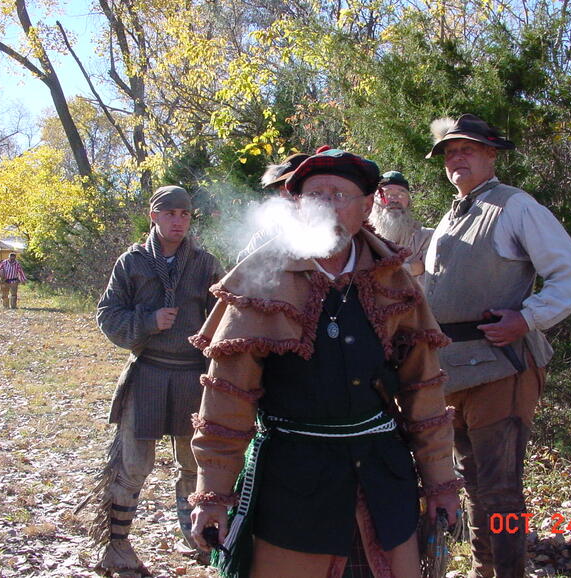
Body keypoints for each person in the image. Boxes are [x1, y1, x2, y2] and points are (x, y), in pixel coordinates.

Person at [188, 148, 461, 577]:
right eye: (315, 196)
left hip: (382, 482)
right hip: (293, 489)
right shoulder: (260, 280)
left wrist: (441, 482)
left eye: (339, 195)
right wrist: (213, 495)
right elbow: (227, 402)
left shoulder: (395, 280)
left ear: (367, 206)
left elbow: (424, 390)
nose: (326, 206)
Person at [423, 114, 571, 577]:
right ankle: (484, 570)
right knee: (475, 484)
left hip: (501, 367)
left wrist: (528, 318)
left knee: (500, 490)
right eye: (450, 152)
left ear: (491, 155)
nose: (456, 158)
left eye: (467, 149)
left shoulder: (516, 206)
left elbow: (569, 271)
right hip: (453, 370)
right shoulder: (451, 215)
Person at [89, 186, 224, 577]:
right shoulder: (132, 262)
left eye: (185, 214)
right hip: (147, 372)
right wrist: (148, 322)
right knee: (131, 465)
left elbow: (221, 319)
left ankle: (197, 539)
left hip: (191, 378)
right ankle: (116, 547)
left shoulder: (205, 263)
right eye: (170, 214)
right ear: (154, 216)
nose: (178, 221)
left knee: (194, 463)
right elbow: (108, 316)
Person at [236, 152, 310, 263]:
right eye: (283, 189)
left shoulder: (336, 228)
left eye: (296, 187)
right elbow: (241, 269)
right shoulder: (267, 235)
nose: (289, 195)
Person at [368, 171, 434, 277]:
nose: (394, 199)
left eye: (401, 194)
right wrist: (413, 268)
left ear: (409, 202)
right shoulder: (362, 236)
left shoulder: (427, 237)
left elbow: (432, 277)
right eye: (386, 194)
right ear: (374, 200)